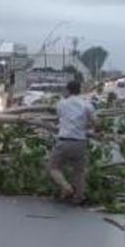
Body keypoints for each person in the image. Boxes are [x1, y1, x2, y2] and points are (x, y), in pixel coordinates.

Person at [47, 76, 95, 204]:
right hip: (80, 142)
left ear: (68, 90)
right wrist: (91, 130)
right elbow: (95, 122)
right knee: (79, 171)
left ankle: (66, 187)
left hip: (64, 141)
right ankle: (79, 197)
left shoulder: (62, 103)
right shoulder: (87, 105)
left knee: (53, 167)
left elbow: (58, 118)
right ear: (80, 91)